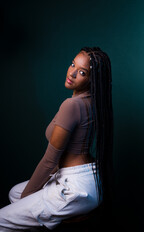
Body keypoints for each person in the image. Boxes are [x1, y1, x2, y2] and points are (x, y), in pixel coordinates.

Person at [0, 46, 114, 231]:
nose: (72, 73)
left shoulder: (71, 105)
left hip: (74, 187)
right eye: (72, 65)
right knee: (15, 192)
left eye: (82, 72)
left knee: (2, 219)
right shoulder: (95, 101)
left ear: (92, 79)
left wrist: (25, 199)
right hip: (89, 179)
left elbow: (50, 160)